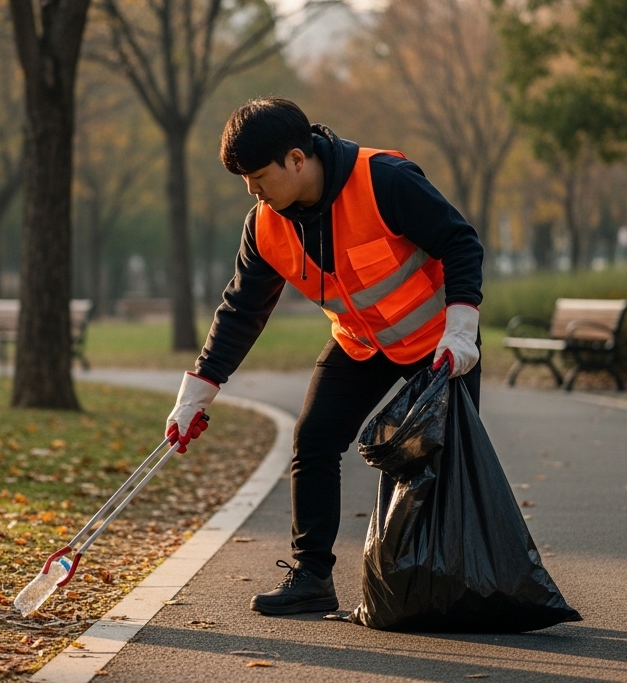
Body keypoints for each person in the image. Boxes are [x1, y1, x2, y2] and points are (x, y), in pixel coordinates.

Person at [164, 97, 484, 615]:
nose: (251, 189)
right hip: (362, 343)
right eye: (243, 178)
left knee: (445, 462)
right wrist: (195, 396)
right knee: (312, 440)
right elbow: (242, 311)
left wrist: (462, 328)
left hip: (441, 345)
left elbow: (460, 242)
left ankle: (448, 585)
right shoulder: (265, 225)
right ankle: (311, 578)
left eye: (258, 174)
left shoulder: (385, 180)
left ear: (296, 158)